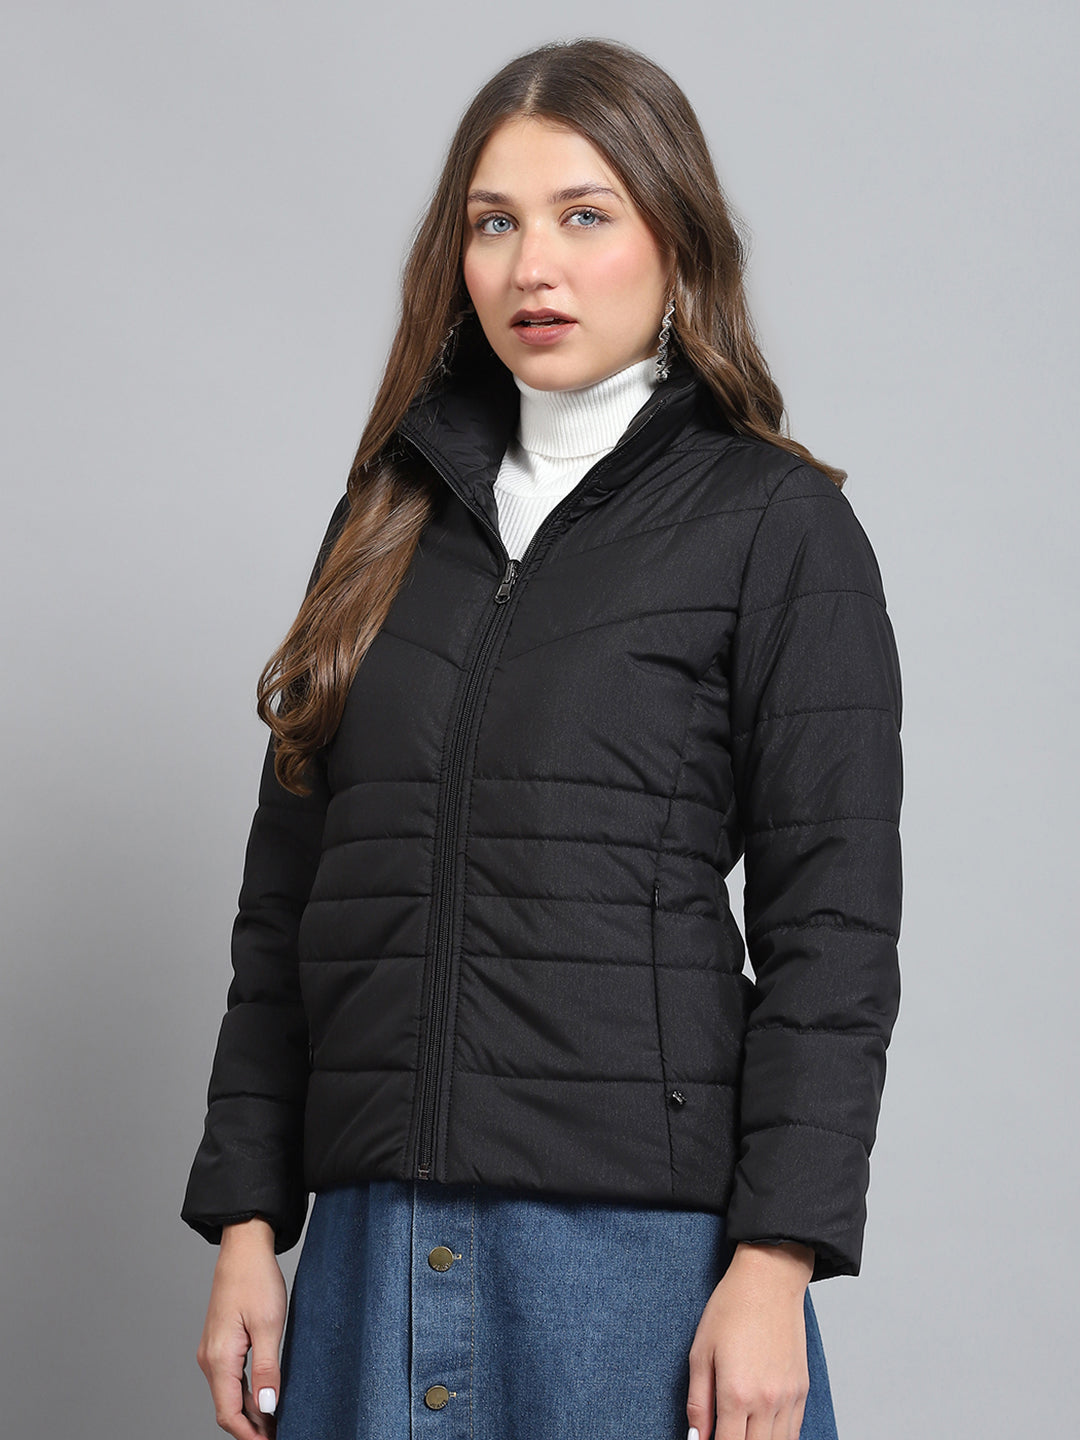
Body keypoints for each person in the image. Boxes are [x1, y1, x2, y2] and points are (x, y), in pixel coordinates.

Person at [181, 36, 903, 1440]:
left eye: (585, 215)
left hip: (631, 1264)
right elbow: (288, 912)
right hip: (372, 1251)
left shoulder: (776, 527)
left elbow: (834, 932)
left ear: (675, 241)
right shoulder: (384, 523)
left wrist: (777, 1261)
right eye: (495, 223)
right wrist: (249, 1228)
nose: (534, 267)